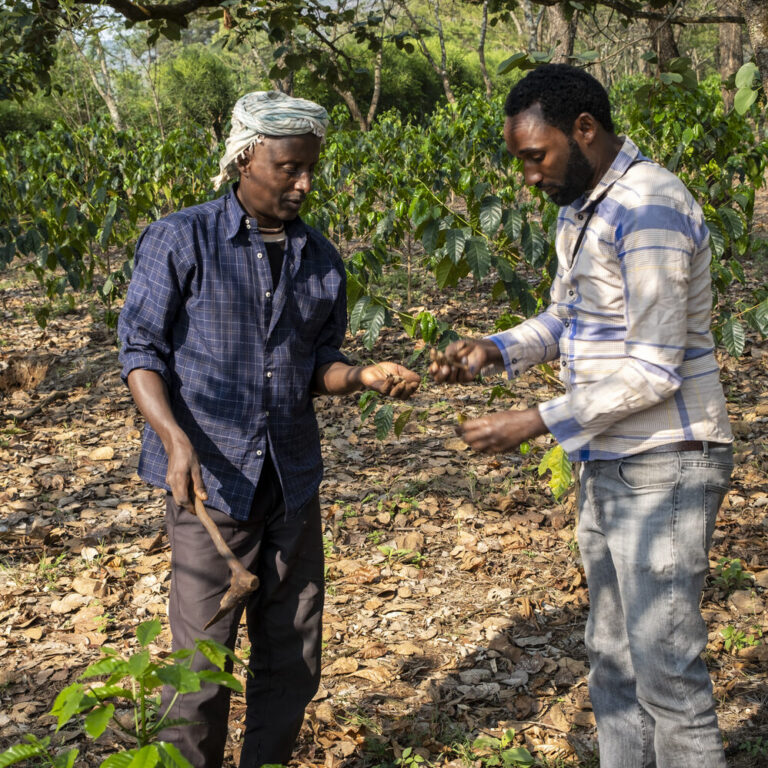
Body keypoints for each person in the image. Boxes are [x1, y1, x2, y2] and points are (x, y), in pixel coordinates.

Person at [430, 64, 733, 768]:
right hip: (610, 457)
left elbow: (655, 366)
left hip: (666, 459)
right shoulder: (585, 206)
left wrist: (535, 420)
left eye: (536, 155)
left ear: (585, 130)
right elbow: (570, 317)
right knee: (613, 658)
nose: (529, 176)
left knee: (665, 671)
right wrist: (495, 349)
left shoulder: (649, 206)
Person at [118, 90, 420, 768]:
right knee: (199, 673)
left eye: (310, 167)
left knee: (292, 661)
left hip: (290, 485)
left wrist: (361, 377)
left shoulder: (320, 258)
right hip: (211, 487)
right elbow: (140, 351)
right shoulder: (182, 238)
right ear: (246, 158)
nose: (303, 182)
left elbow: (320, 365)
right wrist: (174, 439)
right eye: (288, 167)